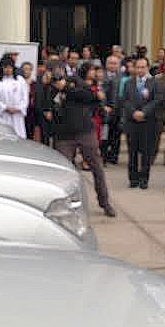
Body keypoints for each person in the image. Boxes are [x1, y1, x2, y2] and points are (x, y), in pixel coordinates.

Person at [49, 69, 116, 218]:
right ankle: (64, 204)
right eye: (55, 76)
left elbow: (89, 96)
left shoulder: (75, 82)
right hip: (63, 135)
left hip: (85, 131)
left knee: (96, 167)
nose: (57, 77)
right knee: (63, 171)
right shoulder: (50, 88)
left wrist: (66, 87)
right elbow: (46, 105)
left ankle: (105, 202)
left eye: (59, 73)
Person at [122, 57, 158, 189]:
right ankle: (133, 178)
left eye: (143, 67)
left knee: (146, 152)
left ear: (147, 68)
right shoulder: (128, 83)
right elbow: (125, 100)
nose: (140, 70)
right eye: (138, 67)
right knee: (132, 152)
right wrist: (134, 113)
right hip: (132, 122)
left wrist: (144, 112)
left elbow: (156, 100)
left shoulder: (153, 82)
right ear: (134, 68)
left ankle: (144, 179)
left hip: (148, 122)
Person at [0, 57, 28, 137]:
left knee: (18, 136)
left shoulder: (20, 80)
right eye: (5, 67)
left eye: (10, 67)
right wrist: (5, 108)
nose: (8, 69)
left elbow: (25, 97)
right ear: (1, 68)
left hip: (17, 115)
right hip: (2, 114)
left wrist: (18, 108)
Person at [22, 61, 37, 139]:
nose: (26, 71)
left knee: (30, 135)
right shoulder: (18, 83)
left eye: (29, 69)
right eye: (25, 69)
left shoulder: (35, 84)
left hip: (31, 114)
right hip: (20, 113)